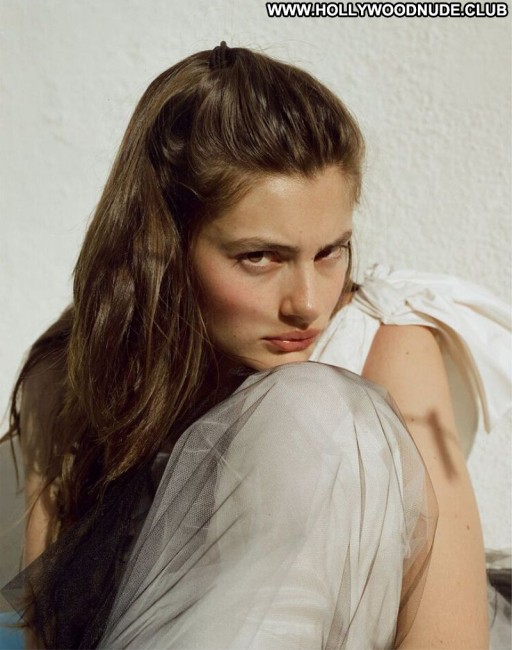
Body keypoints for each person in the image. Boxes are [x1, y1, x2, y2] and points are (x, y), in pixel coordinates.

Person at [1, 41, 509, 649]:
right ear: (164, 244)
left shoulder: (386, 347)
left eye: (331, 251)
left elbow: (448, 642)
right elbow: (46, 634)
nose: (308, 303)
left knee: (311, 404)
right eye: (260, 257)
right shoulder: (75, 373)